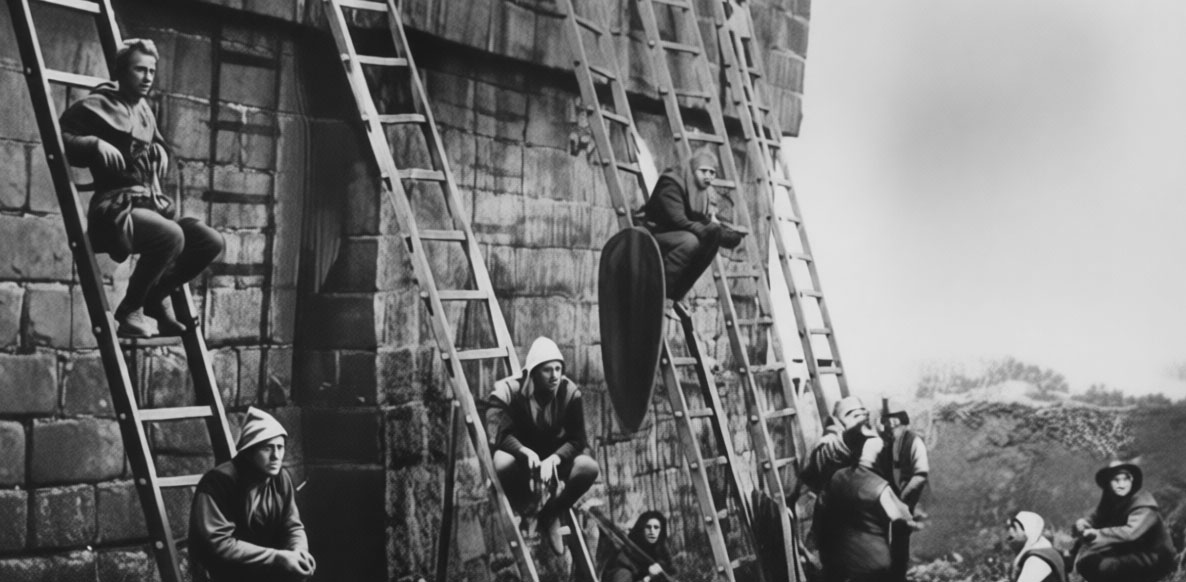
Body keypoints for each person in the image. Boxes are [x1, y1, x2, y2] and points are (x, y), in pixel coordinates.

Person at [60, 38, 223, 338]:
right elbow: (61, 136)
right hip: (113, 210)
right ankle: (130, 310)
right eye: (139, 70)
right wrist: (94, 144)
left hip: (148, 206)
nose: (147, 77)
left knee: (208, 240)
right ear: (122, 71)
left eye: (151, 71)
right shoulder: (99, 105)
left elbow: (154, 141)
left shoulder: (144, 110)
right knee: (171, 235)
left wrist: (159, 149)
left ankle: (154, 297)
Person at [487, 336, 600, 555]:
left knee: (588, 467)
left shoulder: (569, 392)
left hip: (553, 458)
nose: (555, 375)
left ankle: (551, 513)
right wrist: (523, 451)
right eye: (547, 370)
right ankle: (527, 508)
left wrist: (555, 458)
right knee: (501, 461)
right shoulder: (512, 391)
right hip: (522, 458)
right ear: (534, 372)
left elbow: (578, 439)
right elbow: (501, 434)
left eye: (558, 369)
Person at [189, 407, 315, 581]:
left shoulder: (280, 478)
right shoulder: (218, 482)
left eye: (280, 447)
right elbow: (218, 544)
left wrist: (299, 551)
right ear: (250, 452)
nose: (276, 456)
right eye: (267, 448)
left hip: (263, 569)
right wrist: (277, 557)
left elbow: (292, 526)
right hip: (223, 572)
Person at [641, 147, 746, 301]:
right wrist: (711, 230)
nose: (708, 176)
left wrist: (723, 234)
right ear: (694, 170)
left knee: (710, 240)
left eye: (712, 173)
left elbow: (700, 219)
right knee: (690, 241)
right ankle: (662, 293)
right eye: (704, 171)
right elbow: (679, 220)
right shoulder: (672, 183)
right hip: (652, 233)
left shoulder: (701, 192)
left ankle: (675, 294)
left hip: (676, 234)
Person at [819, 424, 919, 582]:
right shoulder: (880, 487)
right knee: (901, 528)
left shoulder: (837, 477)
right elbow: (902, 519)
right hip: (873, 566)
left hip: (840, 565)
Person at [1072, 460, 1175, 582]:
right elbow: (1097, 516)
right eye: (1116, 480)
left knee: (1105, 566)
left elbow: (1130, 533)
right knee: (1086, 561)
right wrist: (1084, 522)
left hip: (1154, 556)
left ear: (1132, 481)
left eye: (1125, 479)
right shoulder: (1113, 499)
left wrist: (1096, 534)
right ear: (1108, 483)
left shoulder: (1144, 505)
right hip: (1128, 550)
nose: (1121, 484)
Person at [878, 401, 929, 582]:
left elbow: (920, 475)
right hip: (889, 503)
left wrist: (902, 499)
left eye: (888, 421)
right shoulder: (889, 442)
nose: (885, 425)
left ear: (897, 420)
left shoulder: (914, 442)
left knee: (900, 544)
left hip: (904, 503)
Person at [600, 510, 676, 582]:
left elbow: (672, 574)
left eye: (656, 527)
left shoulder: (662, 555)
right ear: (641, 529)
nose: (652, 531)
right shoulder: (625, 559)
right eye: (648, 527)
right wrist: (648, 578)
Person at [1006, 511, 1066, 582]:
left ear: (1029, 531)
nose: (1010, 531)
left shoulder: (1037, 559)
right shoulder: (1044, 550)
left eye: (1015, 528)